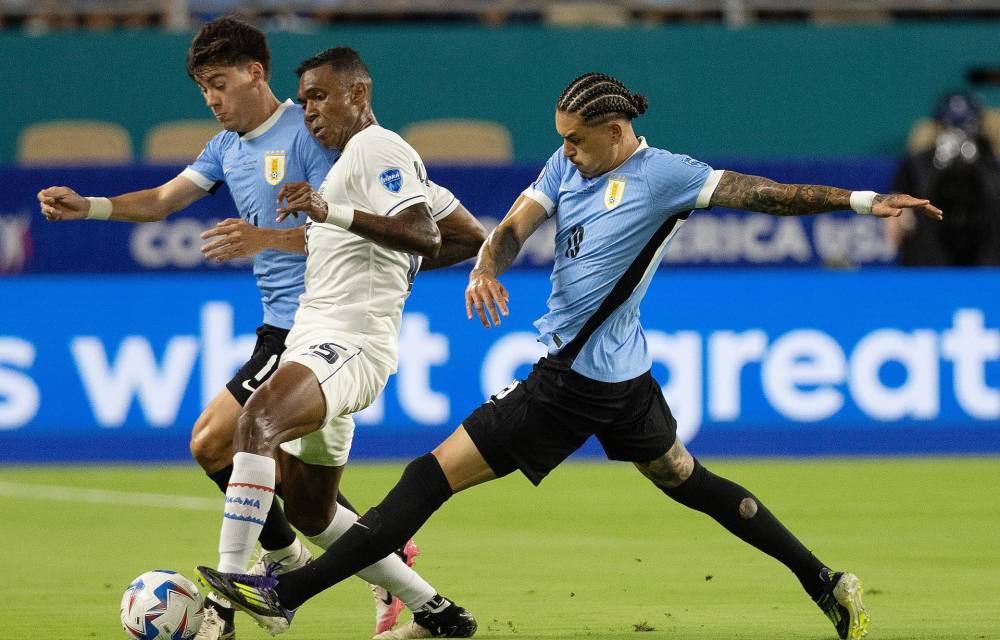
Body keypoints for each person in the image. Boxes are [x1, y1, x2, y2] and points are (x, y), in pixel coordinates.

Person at [196, 72, 946, 640]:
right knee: (689, 479)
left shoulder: (667, 178)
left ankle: (287, 594)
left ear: (617, 131)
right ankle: (825, 581)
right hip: (626, 380)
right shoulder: (568, 166)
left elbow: (767, 193)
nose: (565, 152)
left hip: (568, 386)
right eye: (560, 138)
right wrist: (489, 259)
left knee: (429, 476)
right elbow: (521, 220)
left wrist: (858, 202)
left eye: (577, 140)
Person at [36, 17, 484, 640]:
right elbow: (164, 200)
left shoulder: (325, 136)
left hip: (324, 332)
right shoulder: (226, 148)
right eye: (202, 89)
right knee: (306, 503)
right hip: (295, 329)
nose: (212, 99)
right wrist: (90, 207)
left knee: (224, 437)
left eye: (219, 83)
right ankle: (431, 607)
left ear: (255, 73)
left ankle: (242, 587)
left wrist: (275, 239)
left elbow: (369, 219)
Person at [193, 46, 485, 639]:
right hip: (317, 343)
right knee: (310, 511)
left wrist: (335, 213)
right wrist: (392, 266)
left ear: (359, 92)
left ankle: (227, 594)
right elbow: (467, 235)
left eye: (321, 96)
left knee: (257, 422)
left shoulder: (379, 149)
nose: (309, 111)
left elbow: (424, 234)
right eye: (303, 101)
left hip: (347, 347)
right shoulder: (359, 160)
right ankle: (439, 614)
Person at [888, 91, 1000, 265]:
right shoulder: (918, 164)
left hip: (985, 263)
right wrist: (900, 219)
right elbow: (894, 218)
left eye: (965, 127)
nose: (958, 135)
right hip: (930, 262)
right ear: (938, 126)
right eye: (950, 127)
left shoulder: (990, 163)